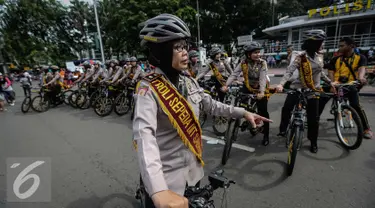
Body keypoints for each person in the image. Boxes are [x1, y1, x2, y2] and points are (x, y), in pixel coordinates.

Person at [135, 13, 272, 208]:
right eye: (177, 47)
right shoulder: (148, 88)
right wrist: (158, 190)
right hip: (165, 182)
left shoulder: (188, 81)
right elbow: (144, 137)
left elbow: (211, 104)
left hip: (192, 174)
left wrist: (243, 112)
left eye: (185, 46)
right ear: (160, 51)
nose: (185, 52)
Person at [276, 29, 335, 153]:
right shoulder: (300, 57)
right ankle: (283, 129)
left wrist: (330, 82)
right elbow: (289, 71)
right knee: (287, 108)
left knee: (313, 118)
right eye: (320, 42)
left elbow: (321, 73)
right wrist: (281, 85)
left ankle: (313, 142)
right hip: (298, 87)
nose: (322, 45)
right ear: (313, 44)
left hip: (314, 90)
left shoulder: (319, 57)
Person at [319, 37, 373, 139]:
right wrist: (332, 83)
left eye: (342, 45)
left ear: (351, 46)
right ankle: (314, 119)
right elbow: (331, 72)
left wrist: (361, 78)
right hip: (336, 84)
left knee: (356, 105)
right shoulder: (335, 59)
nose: (339, 48)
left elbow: (362, 69)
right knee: (320, 98)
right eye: (339, 45)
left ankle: (366, 128)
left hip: (350, 85)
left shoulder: (360, 58)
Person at [221, 42, 271, 146]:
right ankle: (248, 121)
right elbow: (234, 74)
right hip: (247, 86)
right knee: (242, 106)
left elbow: (262, 78)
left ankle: (266, 135)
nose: (258, 54)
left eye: (258, 52)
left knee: (263, 112)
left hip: (260, 88)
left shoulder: (262, 63)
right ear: (248, 54)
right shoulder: (243, 63)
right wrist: (226, 85)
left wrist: (261, 92)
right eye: (255, 53)